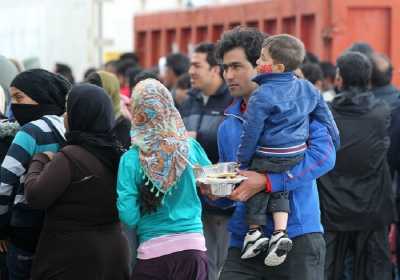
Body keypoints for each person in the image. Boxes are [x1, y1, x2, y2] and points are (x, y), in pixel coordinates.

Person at [211, 26, 335, 280]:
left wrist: (269, 182)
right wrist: (217, 193)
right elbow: (235, 184)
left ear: (263, 65)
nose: (228, 75)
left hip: (297, 237)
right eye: (225, 68)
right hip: (244, 240)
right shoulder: (228, 124)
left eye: (237, 66)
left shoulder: (300, 107)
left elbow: (324, 158)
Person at [22, 83, 130, 280]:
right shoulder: (119, 154)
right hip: (114, 256)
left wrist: (39, 160)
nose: (64, 115)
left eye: (68, 109)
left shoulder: (70, 156)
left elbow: (35, 196)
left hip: (72, 259)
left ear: (79, 115)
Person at [117, 79, 210, 280]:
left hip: (153, 254)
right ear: (168, 106)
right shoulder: (190, 147)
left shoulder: (130, 159)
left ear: (137, 111)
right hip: (193, 249)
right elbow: (211, 182)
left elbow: (128, 216)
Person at [318, 51, 393, 280]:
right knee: (373, 270)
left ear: (339, 78)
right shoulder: (382, 113)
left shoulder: (326, 113)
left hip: (331, 207)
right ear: (368, 79)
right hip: (372, 205)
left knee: (327, 269)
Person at [0, 69, 71, 280]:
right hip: (63, 231)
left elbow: (4, 184)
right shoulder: (71, 126)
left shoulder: (29, 131)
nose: (15, 106)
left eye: (20, 97)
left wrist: (1, 228)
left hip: (26, 233)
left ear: (41, 95)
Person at [181, 42, 233, 280]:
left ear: (215, 70)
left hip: (222, 201)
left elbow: (234, 143)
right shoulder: (189, 101)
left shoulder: (232, 101)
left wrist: (197, 138)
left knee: (222, 266)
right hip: (192, 201)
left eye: (196, 65)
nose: (190, 71)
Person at [86, 70, 131, 149]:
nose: (92, 98)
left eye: (98, 93)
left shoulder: (123, 125)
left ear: (110, 93)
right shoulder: (87, 119)